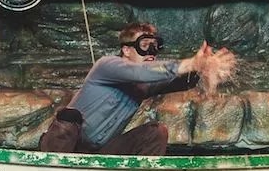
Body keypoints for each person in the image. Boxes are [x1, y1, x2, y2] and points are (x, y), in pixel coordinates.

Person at [38, 22, 236, 156]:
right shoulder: (107, 65)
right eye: (144, 45)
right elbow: (140, 72)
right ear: (126, 49)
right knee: (68, 117)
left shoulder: (145, 85)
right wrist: (192, 63)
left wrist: (207, 70)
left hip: (100, 153)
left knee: (156, 132)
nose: (151, 52)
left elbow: (182, 80)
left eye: (155, 46)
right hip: (63, 147)